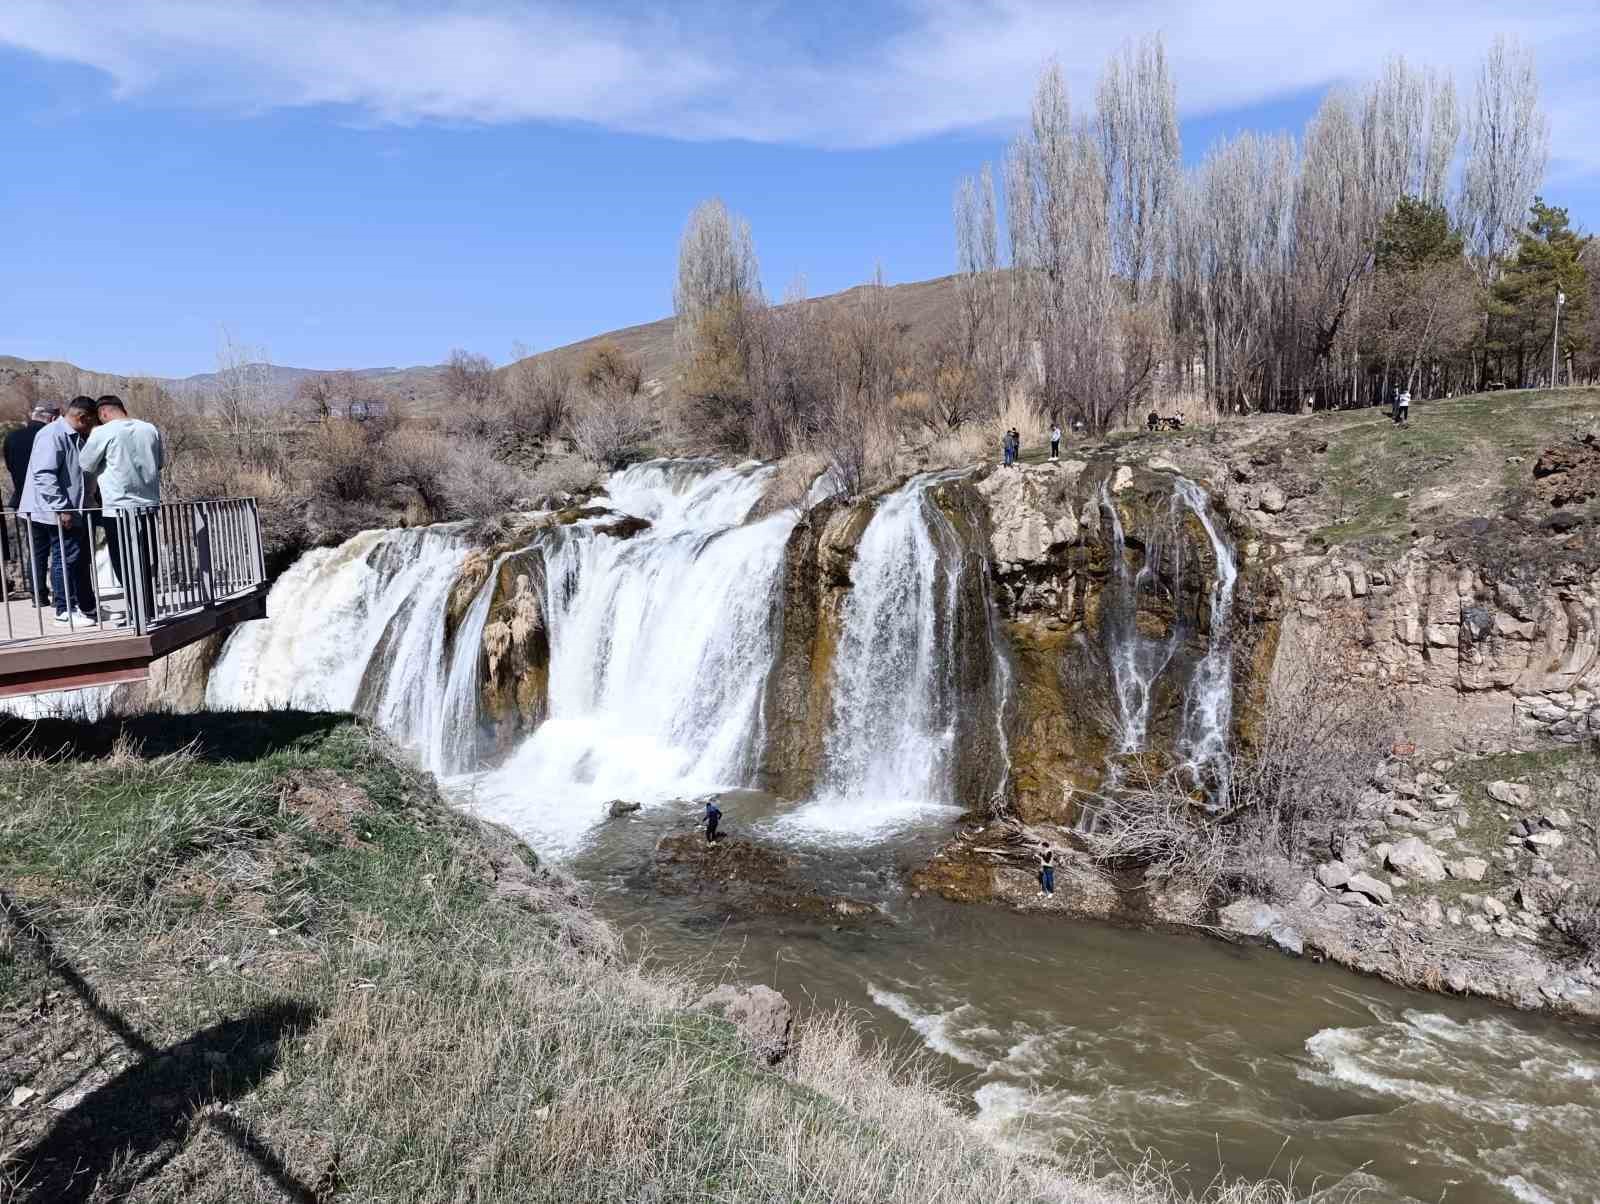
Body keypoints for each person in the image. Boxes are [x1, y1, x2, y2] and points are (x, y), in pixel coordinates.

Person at [19, 396, 103, 627]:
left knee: (74, 559)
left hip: (70, 510)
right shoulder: (53, 434)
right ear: (83, 417)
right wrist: (62, 507)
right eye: (91, 422)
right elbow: (44, 474)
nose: (92, 428)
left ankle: (84, 607)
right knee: (63, 559)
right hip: (55, 511)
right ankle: (64, 610)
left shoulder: (71, 435)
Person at [80, 395, 164, 625]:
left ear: (103, 413)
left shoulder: (103, 432)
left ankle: (137, 613)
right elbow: (159, 463)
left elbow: (85, 463)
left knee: (123, 562)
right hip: (148, 505)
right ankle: (149, 608)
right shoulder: (150, 429)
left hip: (118, 508)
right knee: (147, 559)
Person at [3, 404, 58, 597]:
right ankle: (62, 594)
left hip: (23, 501)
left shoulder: (12, 438)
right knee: (59, 549)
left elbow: (10, 466)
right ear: (51, 418)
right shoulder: (51, 436)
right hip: (52, 501)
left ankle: (38, 594)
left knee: (35, 549)